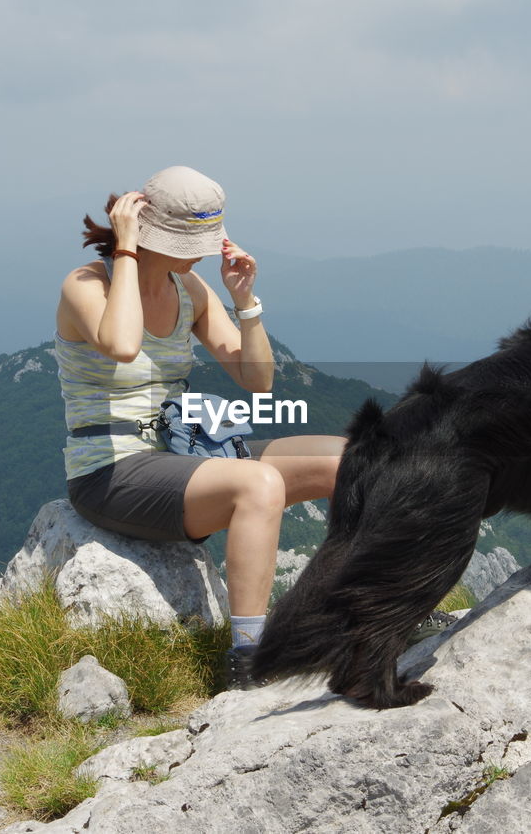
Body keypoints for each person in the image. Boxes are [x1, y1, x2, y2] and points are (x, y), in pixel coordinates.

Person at [54, 166, 344, 689]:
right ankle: (251, 661)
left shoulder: (189, 287)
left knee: (349, 459)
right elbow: (122, 344)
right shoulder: (85, 285)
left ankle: (373, 611)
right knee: (259, 483)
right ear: (142, 227)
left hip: (185, 453)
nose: (199, 252)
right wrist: (123, 253)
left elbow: (256, 381)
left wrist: (244, 300)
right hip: (111, 471)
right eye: (186, 239)